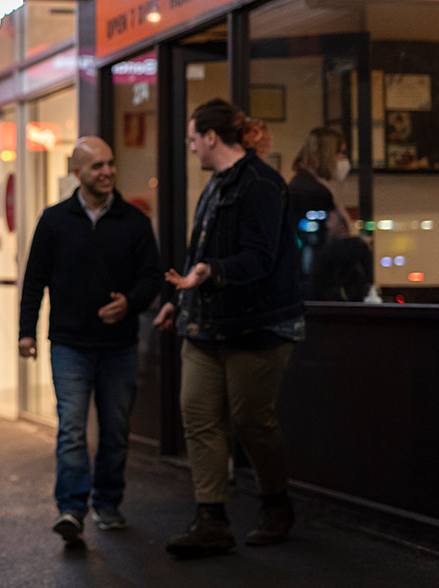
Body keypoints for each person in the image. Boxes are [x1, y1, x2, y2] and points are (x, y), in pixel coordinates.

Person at [153, 99, 305, 557]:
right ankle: (211, 518)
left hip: (257, 325)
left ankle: (276, 504)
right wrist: (179, 299)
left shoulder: (260, 183)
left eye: (192, 138)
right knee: (198, 415)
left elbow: (258, 258)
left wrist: (210, 271)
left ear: (211, 137)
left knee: (251, 421)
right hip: (206, 322)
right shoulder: (216, 186)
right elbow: (199, 253)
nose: (191, 146)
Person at [18, 137, 161, 544]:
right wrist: (26, 332)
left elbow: (151, 278)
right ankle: (72, 509)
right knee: (72, 429)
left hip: (119, 346)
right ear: (77, 172)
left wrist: (130, 303)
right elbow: (35, 281)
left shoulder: (134, 222)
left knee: (116, 430)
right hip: (69, 345)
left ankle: (109, 502)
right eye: (97, 166)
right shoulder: (54, 220)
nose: (107, 172)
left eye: (111, 164)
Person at [286, 127, 369, 299]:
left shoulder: (315, 186)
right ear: (327, 154)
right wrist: (357, 244)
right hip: (316, 284)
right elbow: (319, 242)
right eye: (340, 152)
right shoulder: (310, 191)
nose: (343, 159)